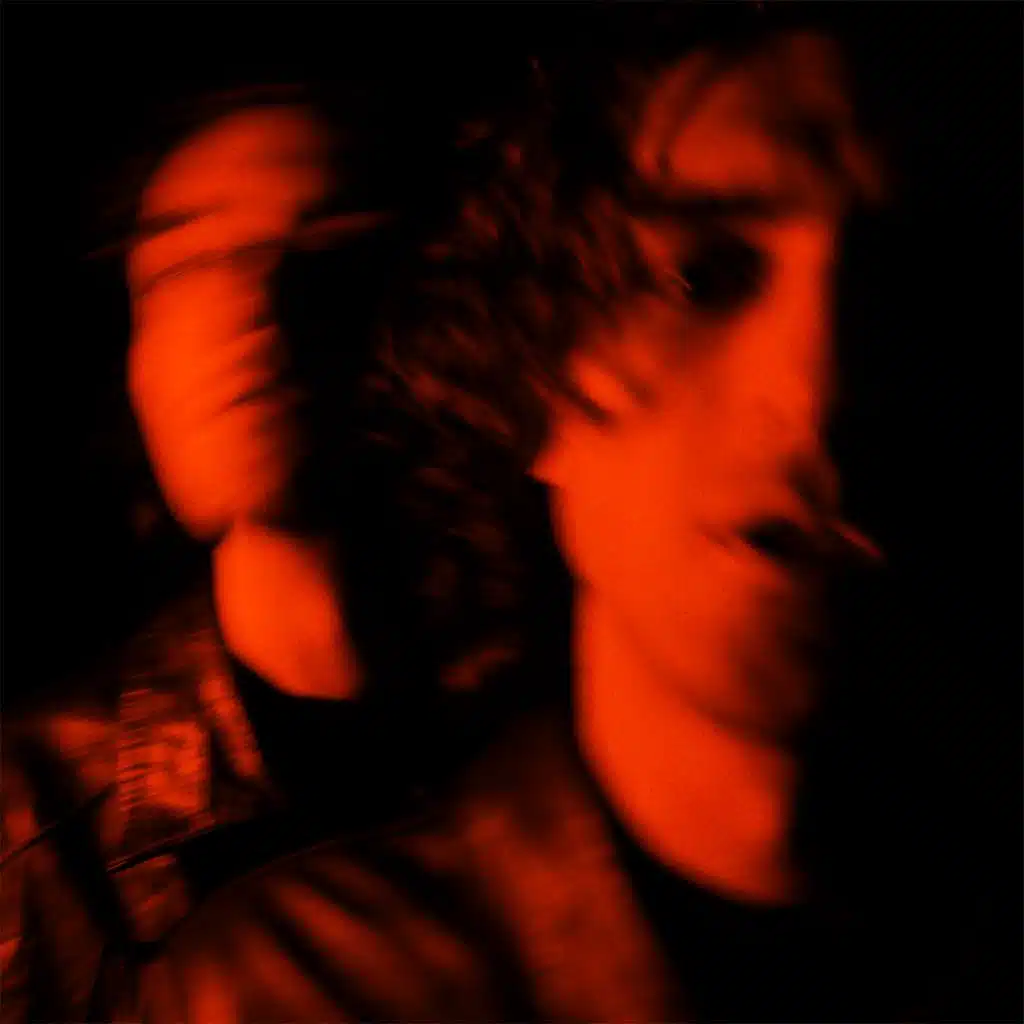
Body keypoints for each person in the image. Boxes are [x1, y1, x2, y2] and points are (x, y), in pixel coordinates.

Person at [0, 6, 991, 1021]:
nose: (253, 318)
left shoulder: (550, 704)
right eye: (185, 265)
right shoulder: (41, 823)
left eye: (331, 257)